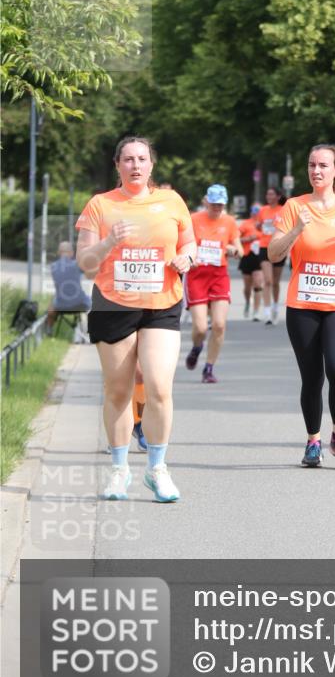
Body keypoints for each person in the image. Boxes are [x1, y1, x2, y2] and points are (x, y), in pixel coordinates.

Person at [76, 136, 196, 502]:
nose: (135, 166)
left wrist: (186, 259)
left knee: (159, 386)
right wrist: (109, 241)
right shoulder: (100, 205)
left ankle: (157, 469)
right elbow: (85, 263)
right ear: (118, 165)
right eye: (128, 160)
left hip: (162, 303)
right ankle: (119, 470)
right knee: (118, 390)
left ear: (151, 165)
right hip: (114, 305)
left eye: (142, 159)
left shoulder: (171, 201)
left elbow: (189, 243)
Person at [268, 144, 335, 470]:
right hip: (302, 305)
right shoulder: (294, 207)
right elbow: (273, 254)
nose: (316, 171)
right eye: (312, 165)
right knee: (312, 377)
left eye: (323, 165)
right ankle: (313, 441)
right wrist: (297, 229)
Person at [185, 185, 243, 383]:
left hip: (219, 275)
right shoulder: (193, 220)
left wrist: (233, 250)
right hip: (197, 275)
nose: (217, 208)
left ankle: (208, 368)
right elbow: (183, 245)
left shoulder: (229, 222)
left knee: (219, 325)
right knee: (201, 328)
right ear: (206, 202)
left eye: (221, 205)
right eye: (214, 204)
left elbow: (240, 250)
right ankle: (197, 347)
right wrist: (190, 259)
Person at [46, 241, 91, 332]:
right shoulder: (77, 264)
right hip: (80, 304)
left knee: (52, 303)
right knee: (95, 301)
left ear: (59, 252)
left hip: (60, 305)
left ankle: (49, 330)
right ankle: (93, 329)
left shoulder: (53, 266)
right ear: (72, 253)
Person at [256, 187, 286, 325]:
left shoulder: (283, 209)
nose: (268, 196)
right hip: (264, 247)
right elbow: (259, 225)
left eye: (271, 194)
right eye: (267, 194)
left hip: (279, 247)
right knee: (267, 280)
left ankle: (275, 306)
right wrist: (259, 225)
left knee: (275, 282)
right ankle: (267, 311)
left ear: (278, 196)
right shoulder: (263, 210)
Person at [238, 203, 264, 321]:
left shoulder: (265, 224)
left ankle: (256, 311)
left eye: (258, 211)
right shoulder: (245, 224)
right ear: (251, 212)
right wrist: (247, 239)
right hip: (247, 255)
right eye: (254, 210)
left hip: (259, 256)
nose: (256, 213)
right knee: (247, 286)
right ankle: (248, 302)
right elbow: (236, 239)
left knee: (258, 284)